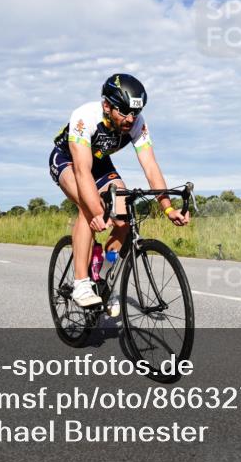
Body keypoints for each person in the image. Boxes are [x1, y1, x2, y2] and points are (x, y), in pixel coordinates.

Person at [49, 74, 190, 307]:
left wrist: (168, 208)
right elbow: (83, 172)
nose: (130, 119)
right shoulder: (85, 117)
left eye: (135, 112)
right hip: (69, 161)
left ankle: (103, 276)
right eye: (124, 112)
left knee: (123, 219)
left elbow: (151, 166)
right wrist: (96, 211)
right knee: (87, 208)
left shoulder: (137, 122)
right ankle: (81, 283)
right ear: (107, 105)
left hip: (100, 162)